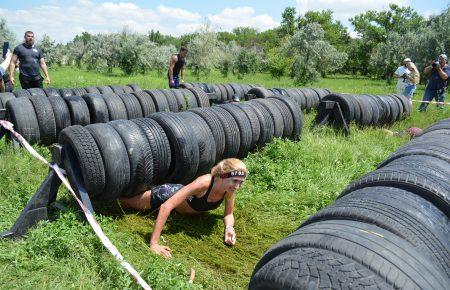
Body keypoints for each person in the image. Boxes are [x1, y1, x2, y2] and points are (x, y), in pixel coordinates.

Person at [119, 158, 248, 259]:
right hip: (167, 195)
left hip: (179, 207)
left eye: (241, 183)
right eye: (235, 181)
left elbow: (229, 214)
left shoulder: (229, 190)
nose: (237, 186)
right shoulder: (204, 183)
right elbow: (166, 206)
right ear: (223, 176)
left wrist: (229, 229)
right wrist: (154, 243)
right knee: (124, 203)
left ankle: (150, 185)